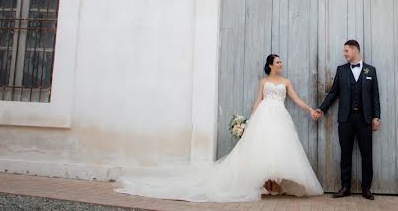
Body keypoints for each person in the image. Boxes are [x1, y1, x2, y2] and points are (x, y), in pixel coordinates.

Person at [116, 54, 323, 202]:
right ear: (270, 65)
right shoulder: (263, 81)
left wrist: (310, 109)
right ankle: (267, 184)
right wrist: (249, 122)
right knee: (261, 149)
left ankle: (275, 184)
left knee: (277, 150)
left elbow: (295, 98)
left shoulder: (285, 81)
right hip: (264, 115)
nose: (281, 64)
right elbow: (257, 101)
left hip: (279, 116)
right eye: (278, 62)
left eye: (280, 62)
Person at [312, 39, 381, 200]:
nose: (344, 54)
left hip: (365, 120)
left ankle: (366, 189)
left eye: (346, 51)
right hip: (346, 119)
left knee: (366, 155)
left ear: (355, 50)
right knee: (345, 154)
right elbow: (333, 93)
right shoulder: (341, 70)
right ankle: (345, 187)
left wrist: (376, 117)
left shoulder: (371, 71)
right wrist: (321, 109)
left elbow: (375, 96)